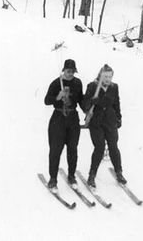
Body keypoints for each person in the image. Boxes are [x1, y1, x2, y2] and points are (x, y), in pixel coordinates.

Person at [81, 64, 125, 188]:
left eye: (110, 77)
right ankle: (92, 175)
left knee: (113, 147)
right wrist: (91, 102)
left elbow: (116, 103)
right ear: (100, 75)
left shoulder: (114, 87)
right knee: (99, 147)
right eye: (105, 76)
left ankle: (119, 172)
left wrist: (119, 117)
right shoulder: (92, 86)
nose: (107, 79)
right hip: (96, 122)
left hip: (110, 121)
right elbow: (84, 104)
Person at [43, 59, 84, 191]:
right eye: (68, 71)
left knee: (73, 149)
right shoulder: (56, 83)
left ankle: (71, 176)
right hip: (58, 119)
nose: (70, 73)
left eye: (73, 71)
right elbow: (47, 100)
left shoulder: (78, 83)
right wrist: (57, 97)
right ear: (64, 70)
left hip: (72, 118)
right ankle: (53, 179)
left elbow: (81, 100)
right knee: (56, 150)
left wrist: (88, 109)